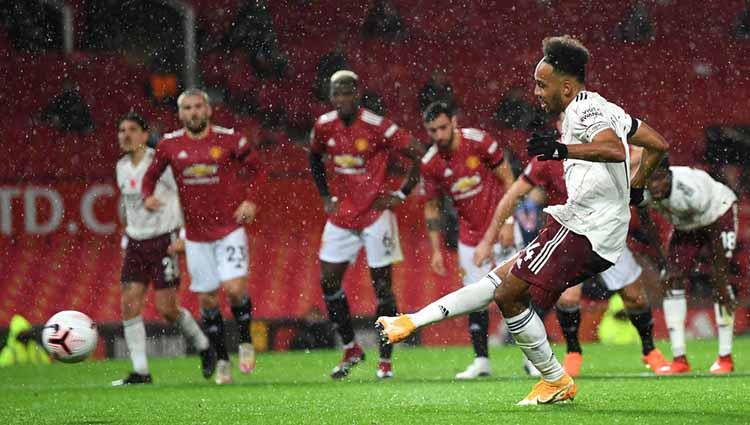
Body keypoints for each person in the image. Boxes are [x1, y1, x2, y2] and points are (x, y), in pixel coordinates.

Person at [377, 35, 668, 404]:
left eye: (542, 84)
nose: (536, 92)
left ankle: (554, 378)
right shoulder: (604, 107)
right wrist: (636, 188)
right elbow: (658, 143)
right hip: (578, 222)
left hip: (589, 228)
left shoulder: (583, 110)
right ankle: (411, 321)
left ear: (565, 85)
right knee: (499, 280)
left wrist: (563, 150)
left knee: (509, 294)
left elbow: (613, 148)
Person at [473, 152, 668, 377]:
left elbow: (640, 152)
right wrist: (490, 238)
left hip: (607, 233)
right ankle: (573, 352)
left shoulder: (603, 146)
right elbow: (514, 194)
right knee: (568, 297)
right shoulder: (547, 160)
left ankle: (649, 350)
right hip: (568, 238)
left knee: (635, 297)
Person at [142, 89, 264, 385]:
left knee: (234, 290)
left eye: (198, 107)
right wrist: (147, 196)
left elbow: (259, 170)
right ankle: (222, 359)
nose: (194, 113)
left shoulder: (230, 140)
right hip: (196, 237)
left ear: (208, 110)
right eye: (187, 108)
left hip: (229, 230)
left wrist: (251, 200)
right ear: (180, 113)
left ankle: (245, 340)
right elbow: (150, 176)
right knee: (208, 300)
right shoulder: (170, 146)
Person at [309, 70, 424, 379]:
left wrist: (401, 193)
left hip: (376, 216)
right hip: (342, 216)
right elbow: (314, 159)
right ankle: (351, 348)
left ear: (357, 94)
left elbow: (418, 152)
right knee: (329, 282)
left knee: (382, 289)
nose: (343, 98)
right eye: (337, 93)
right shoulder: (323, 126)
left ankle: (385, 361)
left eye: (348, 92)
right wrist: (325, 197)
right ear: (331, 97)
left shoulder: (378, 126)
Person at [113, 112, 216, 386]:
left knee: (167, 309)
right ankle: (140, 371)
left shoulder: (160, 164)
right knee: (129, 302)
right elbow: (127, 207)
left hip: (163, 240)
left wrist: (184, 235)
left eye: (132, 129)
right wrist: (127, 238)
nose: (125, 135)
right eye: (122, 130)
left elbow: (186, 196)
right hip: (136, 242)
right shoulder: (121, 167)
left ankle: (204, 345)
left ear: (145, 135)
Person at [420, 101, 516, 379]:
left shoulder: (479, 141)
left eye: (442, 127)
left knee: (517, 293)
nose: (438, 135)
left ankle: (532, 359)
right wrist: (436, 250)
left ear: (453, 122)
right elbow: (432, 207)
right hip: (470, 237)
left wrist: (509, 222)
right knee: (475, 299)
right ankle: (481, 361)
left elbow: (508, 179)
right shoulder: (430, 164)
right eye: (432, 130)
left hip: (500, 229)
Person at [641, 157, 738, 374]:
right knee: (670, 278)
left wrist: (719, 273)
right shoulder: (643, 187)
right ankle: (679, 359)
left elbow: (711, 226)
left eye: (660, 179)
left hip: (717, 213)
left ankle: (725, 358)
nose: (655, 185)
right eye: (651, 180)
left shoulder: (691, 189)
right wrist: (663, 258)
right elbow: (645, 219)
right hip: (686, 224)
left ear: (669, 175)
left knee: (720, 281)